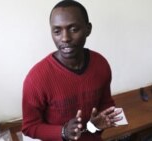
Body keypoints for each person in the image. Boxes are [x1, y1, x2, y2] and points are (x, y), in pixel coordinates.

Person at [22, 0, 123, 141]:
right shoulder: (36, 79)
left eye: (74, 29)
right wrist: (62, 132)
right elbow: (29, 127)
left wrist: (98, 124)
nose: (65, 38)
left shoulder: (100, 64)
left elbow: (106, 103)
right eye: (57, 31)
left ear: (88, 29)